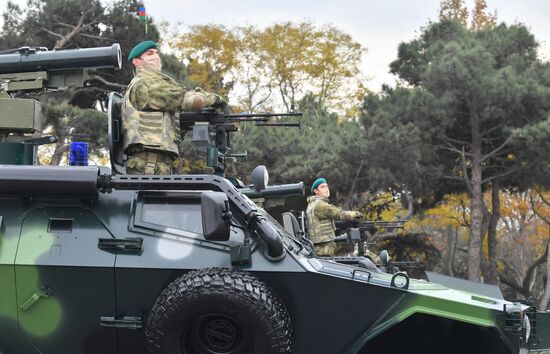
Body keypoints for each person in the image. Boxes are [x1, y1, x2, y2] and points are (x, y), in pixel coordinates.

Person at [122, 40, 226, 175]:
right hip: (148, 166)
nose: (156, 56)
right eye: (150, 54)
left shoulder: (156, 86)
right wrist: (216, 99)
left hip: (157, 165)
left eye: (157, 53)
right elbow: (193, 101)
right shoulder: (144, 86)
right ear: (137, 62)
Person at [306, 177, 362, 256]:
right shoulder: (320, 205)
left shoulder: (312, 204)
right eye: (322, 187)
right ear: (316, 191)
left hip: (319, 248)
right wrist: (356, 214)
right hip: (323, 249)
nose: (326, 189)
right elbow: (340, 214)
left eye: (326, 186)